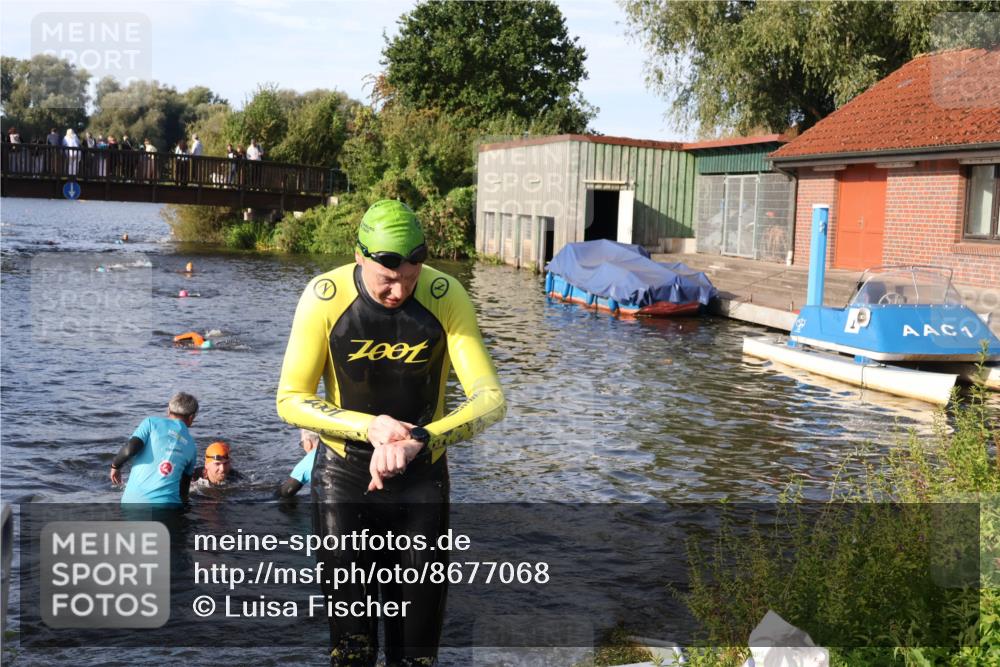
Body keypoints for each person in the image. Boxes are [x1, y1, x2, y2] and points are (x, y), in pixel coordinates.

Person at [276, 199, 506, 666]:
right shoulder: (324, 296)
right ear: (360, 257)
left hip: (421, 478)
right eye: (386, 279)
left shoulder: (446, 295)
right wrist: (369, 427)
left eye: (409, 277)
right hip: (344, 477)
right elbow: (290, 399)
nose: (398, 292)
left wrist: (421, 438)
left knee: (417, 649)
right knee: (353, 646)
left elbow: (490, 401)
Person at [110, 392, 199, 504]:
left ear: (168, 410)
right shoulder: (192, 446)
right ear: (191, 417)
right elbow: (184, 491)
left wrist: (115, 466)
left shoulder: (151, 423)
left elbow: (129, 449)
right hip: (167, 507)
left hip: (133, 502)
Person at [275, 429, 319, 498]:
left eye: (302, 443)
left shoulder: (306, 463)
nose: (302, 447)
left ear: (308, 443)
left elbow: (284, 493)